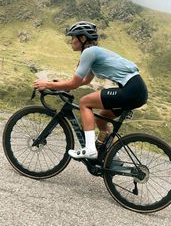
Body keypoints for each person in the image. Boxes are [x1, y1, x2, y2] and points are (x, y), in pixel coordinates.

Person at [33, 21, 148, 159]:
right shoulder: (94, 53)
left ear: (82, 38)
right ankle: (110, 153)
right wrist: (62, 83)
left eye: (73, 37)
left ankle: (90, 149)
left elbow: (74, 83)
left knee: (85, 102)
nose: (71, 41)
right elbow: (85, 81)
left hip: (132, 89)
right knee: (101, 119)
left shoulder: (89, 52)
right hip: (136, 90)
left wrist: (47, 84)